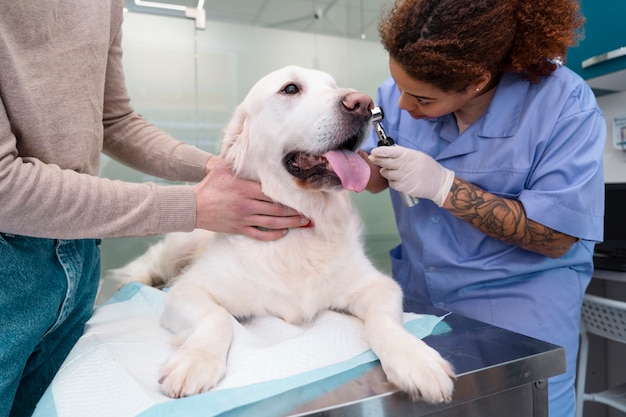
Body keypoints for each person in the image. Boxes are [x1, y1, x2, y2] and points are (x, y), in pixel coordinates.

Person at [0, 2, 307, 416]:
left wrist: (218, 167)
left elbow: (116, 121)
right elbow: (6, 188)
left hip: (80, 252)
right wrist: (193, 206)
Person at [361, 1, 605, 416]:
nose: (403, 105)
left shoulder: (564, 105)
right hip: (422, 301)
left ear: (475, 81)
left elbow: (556, 237)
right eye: (398, 88)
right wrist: (335, 163)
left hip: (521, 310)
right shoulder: (402, 91)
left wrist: (443, 186)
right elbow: (376, 174)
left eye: (421, 98)